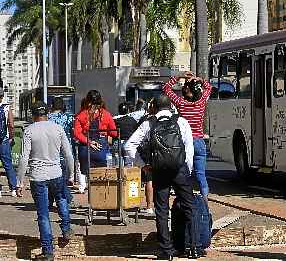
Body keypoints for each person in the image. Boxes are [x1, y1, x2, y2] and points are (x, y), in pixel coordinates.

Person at [124, 94, 194, 260]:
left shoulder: (149, 123)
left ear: (154, 107)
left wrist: (143, 165)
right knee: (189, 207)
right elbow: (189, 149)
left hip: (159, 170)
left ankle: (166, 251)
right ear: (170, 106)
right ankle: (193, 247)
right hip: (180, 169)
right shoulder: (181, 122)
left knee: (162, 210)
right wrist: (187, 170)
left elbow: (128, 146)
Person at [16, 102, 75, 261]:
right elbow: (68, 154)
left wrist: (19, 182)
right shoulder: (57, 128)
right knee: (62, 199)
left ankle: (48, 251)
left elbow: (23, 159)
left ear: (32, 114)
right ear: (47, 113)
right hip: (56, 173)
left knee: (43, 215)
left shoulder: (29, 131)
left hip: (38, 177)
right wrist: (71, 175)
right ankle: (66, 228)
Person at [163, 71, 212, 199]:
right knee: (201, 174)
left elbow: (166, 88)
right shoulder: (201, 103)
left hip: (185, 143)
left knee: (185, 173)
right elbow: (209, 87)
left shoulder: (181, 104)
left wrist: (179, 76)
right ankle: (205, 201)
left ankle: (186, 199)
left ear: (184, 91)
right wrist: (199, 79)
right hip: (199, 142)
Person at [73, 90, 117, 193]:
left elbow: (76, 133)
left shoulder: (81, 115)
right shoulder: (106, 114)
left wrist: (89, 142)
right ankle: (100, 199)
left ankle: (89, 199)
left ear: (87, 101)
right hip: (101, 149)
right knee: (100, 177)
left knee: (86, 172)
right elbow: (114, 133)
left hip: (85, 150)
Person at [47, 97, 74, 207]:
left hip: (50, 152)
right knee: (62, 177)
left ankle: (50, 200)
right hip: (65, 152)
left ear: (52, 106)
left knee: (49, 177)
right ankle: (66, 197)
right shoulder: (69, 118)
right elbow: (74, 133)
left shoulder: (47, 119)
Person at [0, 88, 17, 197]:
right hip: (4, 140)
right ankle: (13, 189)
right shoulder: (6, 107)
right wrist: (11, 137)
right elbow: (11, 124)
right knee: (8, 165)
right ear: (2, 96)